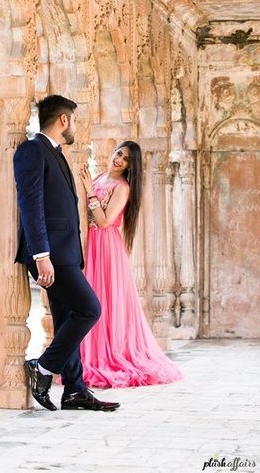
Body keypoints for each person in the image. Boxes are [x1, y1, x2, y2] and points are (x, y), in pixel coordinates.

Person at [14, 95, 120, 411]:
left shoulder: (56, 153)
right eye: (73, 120)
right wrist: (41, 255)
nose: (74, 126)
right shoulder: (32, 150)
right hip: (51, 255)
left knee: (66, 320)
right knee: (90, 309)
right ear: (63, 120)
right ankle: (43, 368)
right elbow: (30, 205)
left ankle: (74, 390)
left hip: (66, 253)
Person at [78, 141, 183, 388]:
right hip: (90, 243)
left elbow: (104, 222)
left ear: (129, 166)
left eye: (124, 158)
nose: (118, 159)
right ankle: (86, 354)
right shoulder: (101, 176)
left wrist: (89, 191)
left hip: (106, 246)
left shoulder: (122, 187)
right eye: (118, 153)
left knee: (104, 299)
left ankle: (109, 354)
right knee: (89, 296)